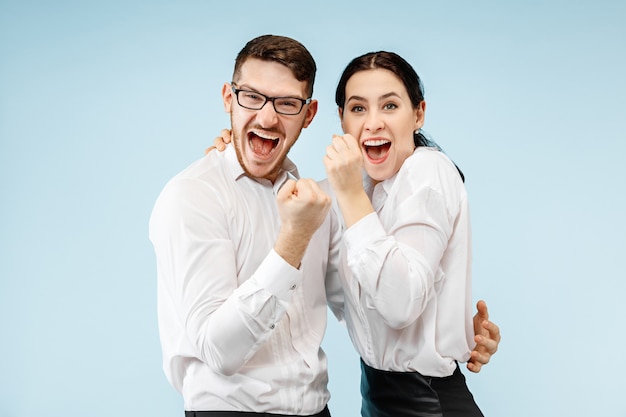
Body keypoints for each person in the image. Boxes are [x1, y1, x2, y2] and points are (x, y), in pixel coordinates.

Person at [150, 34, 499, 417]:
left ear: (309, 114)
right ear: (228, 99)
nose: (267, 117)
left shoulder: (359, 191)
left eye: (285, 104)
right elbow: (220, 350)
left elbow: (386, 302)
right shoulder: (206, 194)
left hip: (386, 404)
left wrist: (449, 330)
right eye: (251, 97)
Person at [323, 50, 487, 416]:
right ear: (342, 120)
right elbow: (285, 208)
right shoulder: (356, 187)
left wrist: (349, 195)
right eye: (358, 108)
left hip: (427, 403)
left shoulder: (427, 171)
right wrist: (228, 158)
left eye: (390, 106)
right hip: (379, 397)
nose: (373, 123)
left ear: (419, 114)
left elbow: (400, 305)